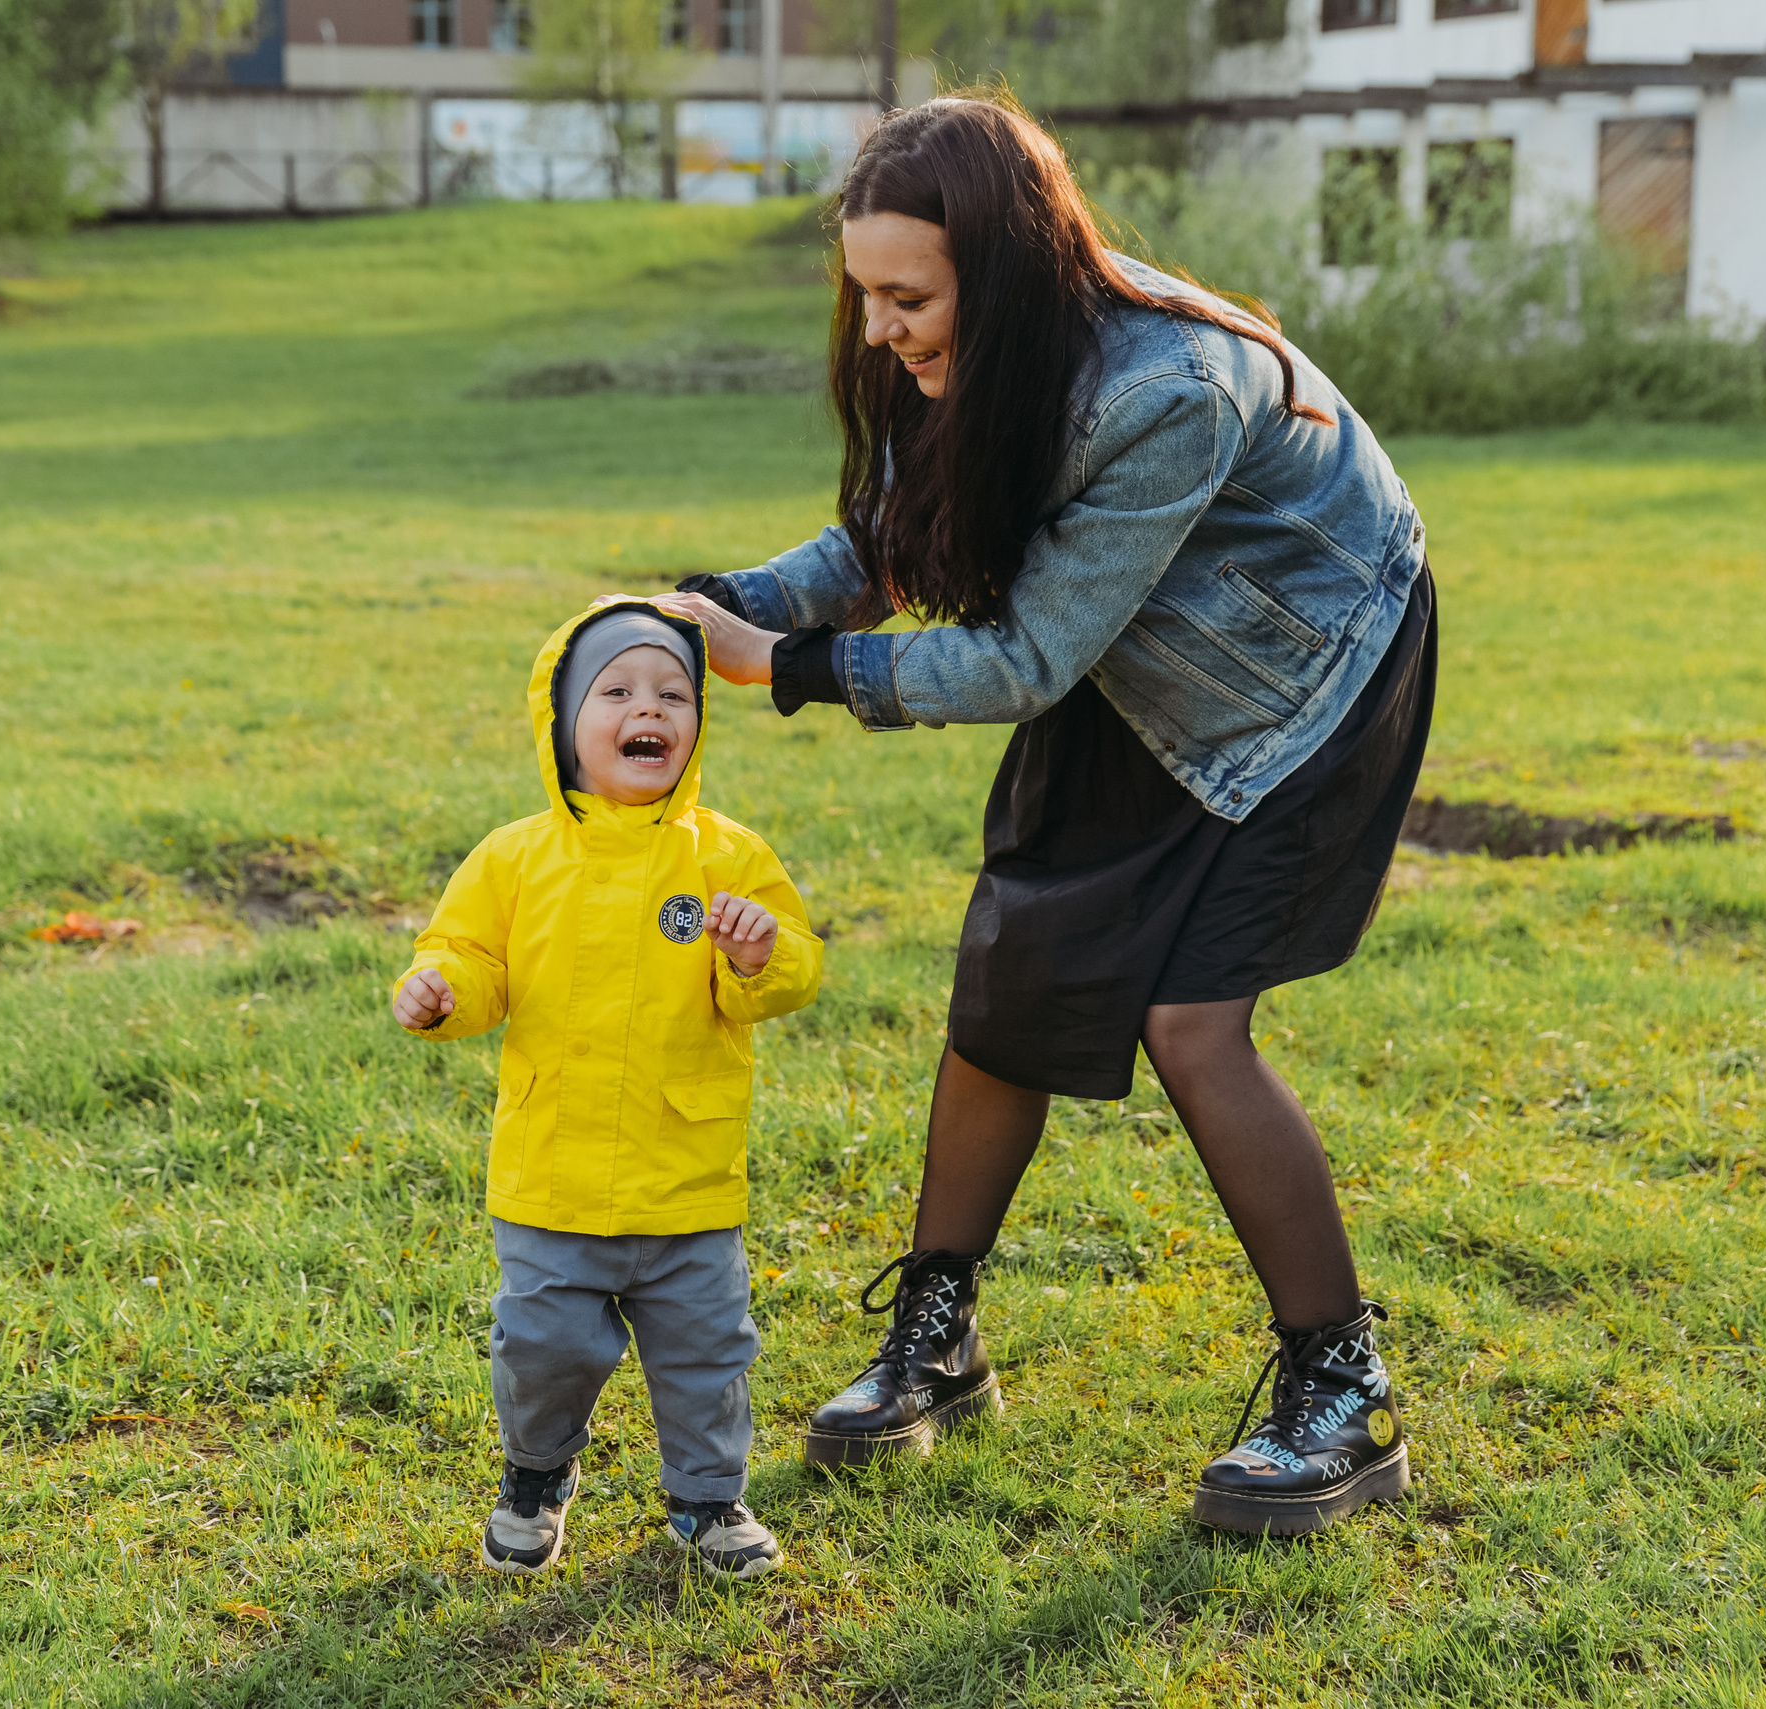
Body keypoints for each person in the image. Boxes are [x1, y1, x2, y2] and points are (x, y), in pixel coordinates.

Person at [657, 95, 1436, 1536]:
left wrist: (800, 669)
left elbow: (1020, 659)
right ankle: (937, 1343)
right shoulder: (981, 358)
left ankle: (1343, 1393)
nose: (882, 328)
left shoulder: (1171, 389)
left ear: (1000, 270)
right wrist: (741, 603)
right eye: (865, 293)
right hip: (1130, 648)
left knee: (1193, 1020)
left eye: (908, 296)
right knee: (1011, 981)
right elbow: (904, 529)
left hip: (1307, 669)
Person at [390, 597, 825, 1578]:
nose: (652, 708)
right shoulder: (515, 856)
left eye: (675, 692)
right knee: (543, 1346)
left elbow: (794, 965)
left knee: (708, 1353)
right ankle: (535, 1474)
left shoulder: (727, 853)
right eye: (619, 689)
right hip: (554, 1173)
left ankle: (709, 1499)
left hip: (686, 1174)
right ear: (562, 721)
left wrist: (762, 952)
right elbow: (466, 956)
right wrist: (439, 990)